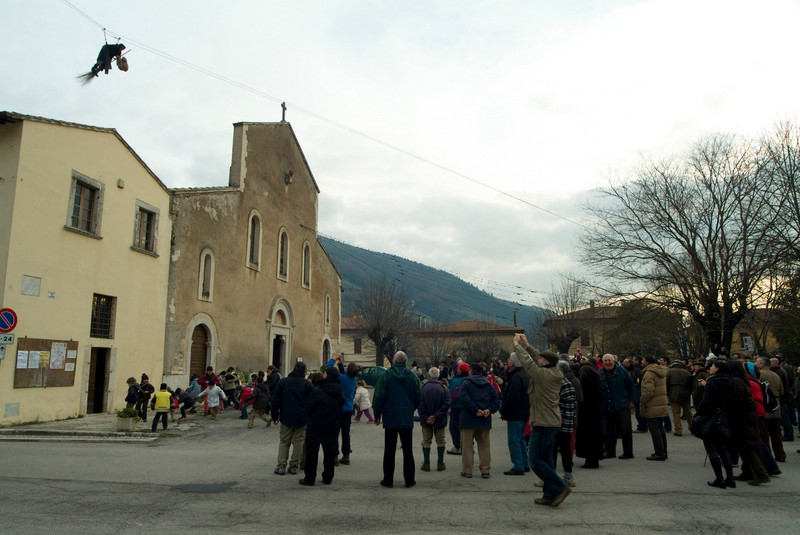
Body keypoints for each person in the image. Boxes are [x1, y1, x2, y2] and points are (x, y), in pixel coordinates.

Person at [513, 333, 571, 508]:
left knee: (535, 461)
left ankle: (560, 487)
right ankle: (549, 494)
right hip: (551, 422)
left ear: (546, 362)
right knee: (546, 460)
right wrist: (527, 344)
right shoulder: (552, 371)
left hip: (544, 423)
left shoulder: (543, 375)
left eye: (541, 359)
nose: (539, 360)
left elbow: (528, 363)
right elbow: (536, 357)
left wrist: (517, 345)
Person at [373, 351, 423, 488]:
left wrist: (377, 414)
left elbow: (379, 396)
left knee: (389, 449)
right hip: (406, 416)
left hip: (390, 416)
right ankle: (409, 480)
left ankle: (388, 480)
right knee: (408, 450)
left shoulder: (386, 376)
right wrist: (411, 407)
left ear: (394, 361)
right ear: (405, 361)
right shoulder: (412, 376)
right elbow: (419, 396)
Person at [728, 360, 771, 486]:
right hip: (747, 415)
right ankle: (747, 471)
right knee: (743, 445)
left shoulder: (737, 382)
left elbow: (738, 401)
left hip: (742, 417)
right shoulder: (743, 380)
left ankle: (760, 472)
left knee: (747, 445)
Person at [300, 365, 344, 486]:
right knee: (329, 452)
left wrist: (309, 417)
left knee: (312, 453)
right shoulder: (339, 391)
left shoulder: (319, 390)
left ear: (327, 375)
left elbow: (308, 406)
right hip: (332, 424)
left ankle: (310, 478)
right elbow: (341, 406)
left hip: (316, 424)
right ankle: (328, 477)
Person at [696, 360, 735, 488]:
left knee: (711, 448)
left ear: (717, 369)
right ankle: (730, 477)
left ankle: (719, 478)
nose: (710, 368)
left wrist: (699, 413)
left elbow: (706, 401)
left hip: (711, 417)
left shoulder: (712, 382)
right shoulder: (730, 381)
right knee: (723, 448)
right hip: (724, 416)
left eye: (712, 366)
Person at [459, 362, 501, 479]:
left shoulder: (466, 383)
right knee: (484, 446)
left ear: (471, 371)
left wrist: (475, 409)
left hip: (468, 419)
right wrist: (489, 410)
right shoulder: (488, 384)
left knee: (467, 446)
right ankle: (485, 470)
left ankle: (467, 470)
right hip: (484, 419)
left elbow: (463, 398)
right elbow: (496, 399)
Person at [271, 361, 314, 475]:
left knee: (284, 442)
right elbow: (312, 401)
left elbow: (275, 400)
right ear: (304, 371)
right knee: (298, 442)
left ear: (294, 369)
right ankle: (294, 465)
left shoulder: (283, 382)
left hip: (286, 415)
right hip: (302, 417)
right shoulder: (307, 384)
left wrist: (274, 415)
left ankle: (281, 466)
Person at [599, 354, 636, 460]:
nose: (607, 362)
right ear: (603, 362)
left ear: (613, 361)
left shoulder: (622, 371)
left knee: (625, 430)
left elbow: (631, 386)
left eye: (609, 360)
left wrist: (631, 401)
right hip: (607, 405)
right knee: (609, 430)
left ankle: (628, 452)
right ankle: (610, 451)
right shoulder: (600, 372)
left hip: (621, 404)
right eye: (605, 361)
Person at [325, 354, 359, 465]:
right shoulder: (353, 379)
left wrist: (333, 359)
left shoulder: (342, 378)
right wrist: (341, 363)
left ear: (347, 370)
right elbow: (345, 373)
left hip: (339, 408)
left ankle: (335, 455)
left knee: (335, 433)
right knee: (346, 433)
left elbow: (329, 370)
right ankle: (346, 455)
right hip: (348, 409)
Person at [500, 351, 530, 475]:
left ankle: (518, 465)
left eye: (509, 360)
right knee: (521, 438)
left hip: (515, 413)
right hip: (523, 411)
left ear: (513, 363)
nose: (508, 362)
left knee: (514, 439)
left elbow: (513, 396)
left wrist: (504, 408)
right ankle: (524, 463)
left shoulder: (516, 377)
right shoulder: (524, 374)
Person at [417, 367, 450, 472]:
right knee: (440, 441)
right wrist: (436, 416)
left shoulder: (423, 388)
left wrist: (427, 417)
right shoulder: (444, 388)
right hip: (440, 419)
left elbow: (420, 404)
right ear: (438, 376)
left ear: (429, 375)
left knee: (426, 441)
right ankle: (440, 463)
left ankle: (426, 463)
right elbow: (447, 404)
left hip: (426, 420)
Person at [755, 357, 785, 462]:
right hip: (776, 407)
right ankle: (780, 454)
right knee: (776, 433)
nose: (755, 363)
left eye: (757, 362)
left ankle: (767, 457)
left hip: (765, 407)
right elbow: (782, 390)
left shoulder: (760, 374)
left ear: (762, 364)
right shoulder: (776, 375)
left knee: (764, 434)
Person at [553, 360, 577, 486]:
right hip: (567, 420)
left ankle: (552, 477)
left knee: (554, 448)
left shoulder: (562, 384)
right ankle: (568, 476)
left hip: (560, 421)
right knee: (565, 448)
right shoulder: (567, 383)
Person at [576, 359, 603, 469]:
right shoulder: (597, 380)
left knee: (588, 437)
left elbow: (582, 398)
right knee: (595, 437)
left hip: (587, 413)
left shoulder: (585, 382)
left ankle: (590, 460)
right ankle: (594, 459)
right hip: (596, 412)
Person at [640, 355, 669, 461]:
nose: (641, 362)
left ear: (647, 362)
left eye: (643, 360)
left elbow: (648, 391)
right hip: (661, 403)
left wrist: (642, 400)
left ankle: (659, 452)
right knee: (660, 428)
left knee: (654, 429)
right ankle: (663, 451)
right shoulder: (661, 371)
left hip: (653, 404)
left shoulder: (649, 373)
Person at [446, 362, 469, 455]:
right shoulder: (468, 379)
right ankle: (467, 445)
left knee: (454, 427)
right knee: (465, 427)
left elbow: (450, 393)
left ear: (460, 370)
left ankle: (457, 446)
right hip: (466, 406)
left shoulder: (455, 380)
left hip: (456, 406)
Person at [667, 359, 694, 436]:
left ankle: (678, 430)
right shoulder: (687, 372)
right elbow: (691, 384)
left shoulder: (669, 372)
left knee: (676, 413)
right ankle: (692, 428)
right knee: (688, 413)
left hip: (673, 394)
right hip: (685, 395)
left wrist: (668, 394)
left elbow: (666, 384)